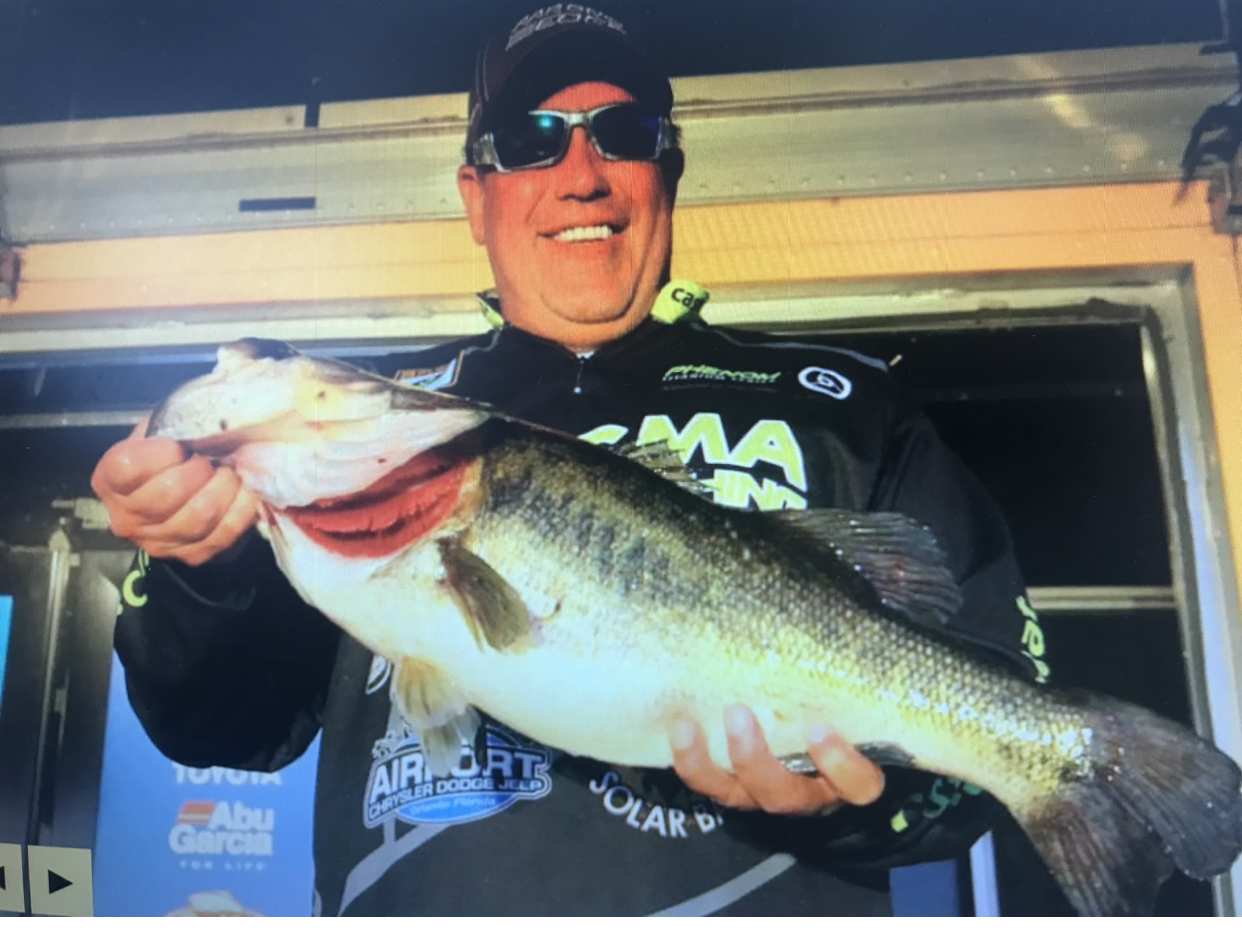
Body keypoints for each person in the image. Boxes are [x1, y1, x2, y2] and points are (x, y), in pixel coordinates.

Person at [92, 6, 1043, 916]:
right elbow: (222, 729)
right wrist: (200, 569)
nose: (581, 173)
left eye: (622, 131)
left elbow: (997, 750)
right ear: (477, 193)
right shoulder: (376, 431)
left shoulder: (852, 409)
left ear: (667, 169)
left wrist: (860, 807)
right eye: (529, 137)